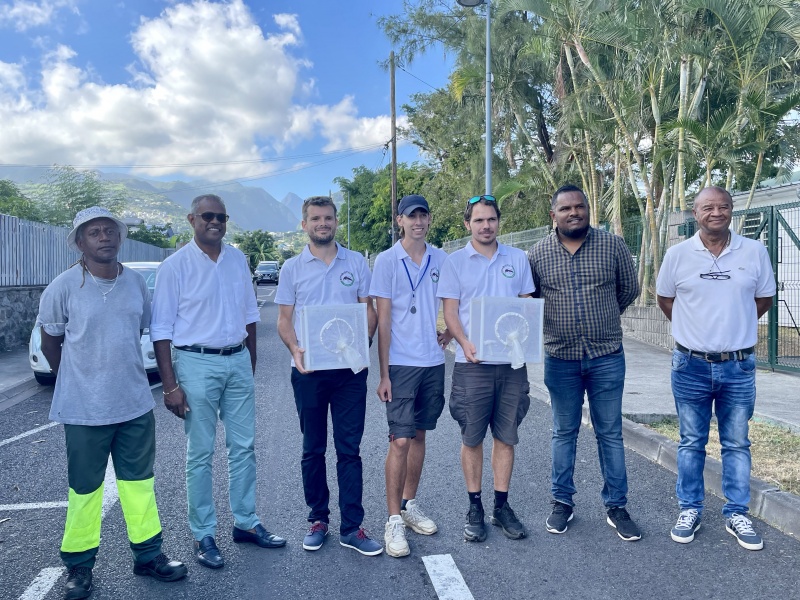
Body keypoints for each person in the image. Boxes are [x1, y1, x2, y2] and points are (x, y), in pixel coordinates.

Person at [38, 206, 187, 600]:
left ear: (120, 237)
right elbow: (50, 342)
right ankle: (79, 565)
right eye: (94, 232)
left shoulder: (135, 283)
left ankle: (148, 555)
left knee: (139, 485)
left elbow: (146, 331)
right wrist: (73, 381)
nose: (104, 237)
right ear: (80, 243)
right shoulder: (63, 287)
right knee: (84, 489)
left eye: (110, 230)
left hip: (134, 403)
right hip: (84, 409)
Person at [151, 194, 285, 570]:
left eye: (221, 217)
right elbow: (161, 329)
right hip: (196, 363)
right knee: (200, 452)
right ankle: (204, 533)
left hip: (237, 360)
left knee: (243, 447)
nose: (215, 222)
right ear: (191, 219)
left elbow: (250, 314)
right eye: (207, 216)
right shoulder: (174, 267)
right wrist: (170, 386)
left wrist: (250, 360)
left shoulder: (237, 260)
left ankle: (246, 522)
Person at [656, 186, 775, 551]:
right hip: (689, 365)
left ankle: (737, 513)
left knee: (736, 443)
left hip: (738, 366)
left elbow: (764, 299)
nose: (717, 212)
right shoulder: (677, 255)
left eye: (723, 206)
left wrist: (735, 327)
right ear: (696, 213)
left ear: (731, 210)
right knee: (691, 441)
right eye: (708, 207)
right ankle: (690, 509)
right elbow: (665, 299)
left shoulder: (754, 252)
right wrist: (694, 331)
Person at [528, 184, 641, 542]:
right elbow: (532, 300)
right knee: (564, 432)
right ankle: (562, 502)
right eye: (565, 208)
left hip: (606, 356)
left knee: (610, 433)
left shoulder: (612, 245)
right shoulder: (537, 254)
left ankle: (617, 506)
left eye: (579, 206)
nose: (573, 212)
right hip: (560, 358)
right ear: (553, 215)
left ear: (588, 209)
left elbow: (629, 289)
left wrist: (603, 318)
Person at [275, 196, 382, 556]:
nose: (323, 223)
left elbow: (369, 311)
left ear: (336, 222)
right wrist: (295, 349)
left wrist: (363, 345)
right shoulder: (292, 268)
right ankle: (318, 520)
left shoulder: (356, 262)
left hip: (350, 374)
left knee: (349, 450)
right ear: (304, 224)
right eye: (316, 218)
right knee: (313, 448)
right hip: (308, 372)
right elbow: (284, 320)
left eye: (328, 218)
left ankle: (352, 527)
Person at [437, 194, 534, 543]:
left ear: (498, 222)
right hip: (473, 364)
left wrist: (527, 340)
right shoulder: (454, 263)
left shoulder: (518, 258)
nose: (486, 225)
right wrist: (463, 343)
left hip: (511, 365)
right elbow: (450, 312)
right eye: (478, 220)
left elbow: (527, 305)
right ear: (468, 224)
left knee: (506, 437)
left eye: (491, 219)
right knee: (472, 437)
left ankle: (501, 506)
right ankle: (474, 506)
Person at [369, 194, 452, 558]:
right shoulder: (387, 261)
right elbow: (383, 321)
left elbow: (455, 302)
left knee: (419, 436)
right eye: (411, 216)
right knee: (399, 441)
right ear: (399, 220)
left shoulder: (441, 259)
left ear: (429, 219)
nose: (418, 221)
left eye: (423, 215)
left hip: (433, 362)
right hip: (401, 364)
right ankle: (392, 520)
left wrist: (450, 333)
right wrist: (384, 373)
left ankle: (408, 505)